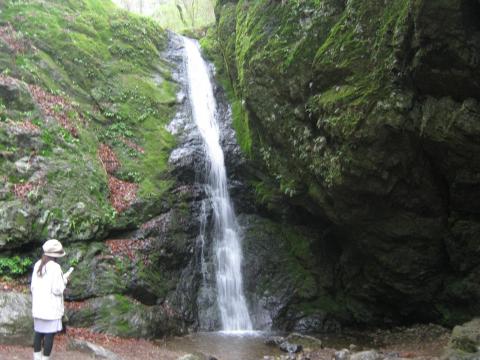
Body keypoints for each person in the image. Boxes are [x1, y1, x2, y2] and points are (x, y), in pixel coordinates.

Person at [31, 239, 74, 360]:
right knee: (49, 335)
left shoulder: (37, 264)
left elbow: (33, 286)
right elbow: (57, 289)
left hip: (38, 307)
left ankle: (37, 358)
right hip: (50, 310)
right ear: (56, 256)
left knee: (38, 333)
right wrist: (65, 280)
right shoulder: (55, 267)